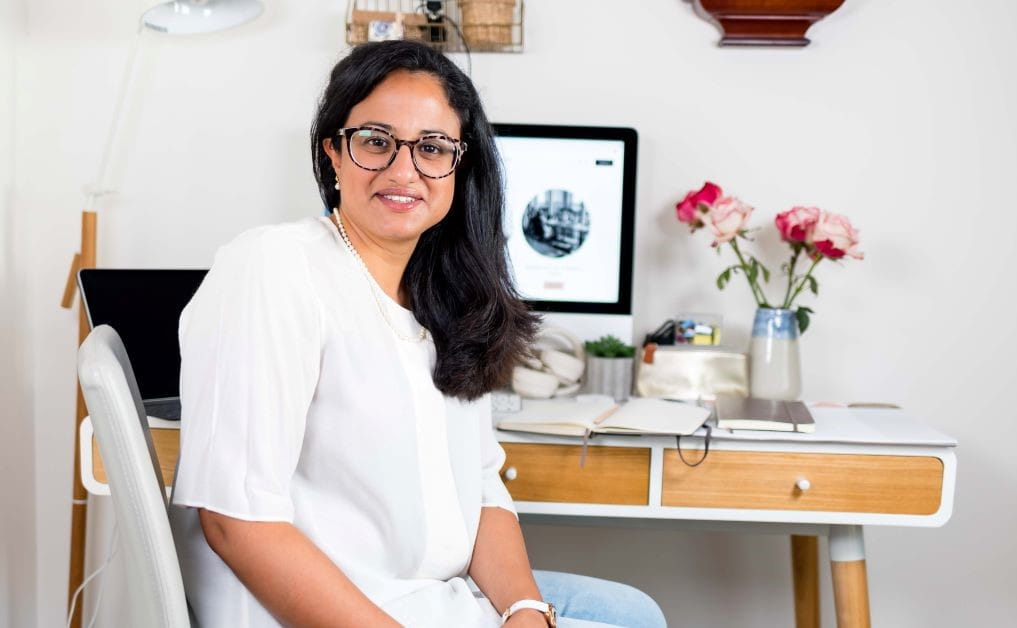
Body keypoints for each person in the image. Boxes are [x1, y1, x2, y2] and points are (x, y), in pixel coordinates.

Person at [167, 40, 667, 628]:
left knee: (634, 612)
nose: (404, 171)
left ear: (460, 164)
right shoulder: (274, 268)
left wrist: (526, 611)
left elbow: (481, 488)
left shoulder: (446, 299)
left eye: (431, 148)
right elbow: (235, 523)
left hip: (425, 594)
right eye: (376, 142)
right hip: (330, 610)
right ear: (333, 151)